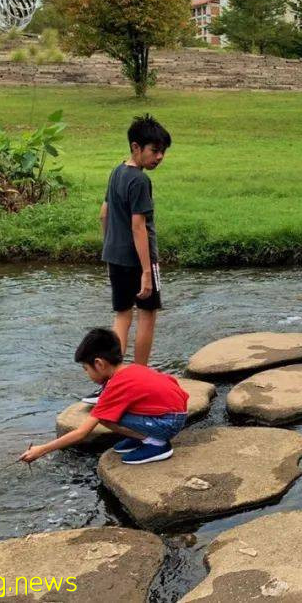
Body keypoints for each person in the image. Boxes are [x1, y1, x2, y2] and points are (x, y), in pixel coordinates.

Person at [88, 114, 171, 406]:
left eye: (163, 152)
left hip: (116, 256)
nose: (159, 157)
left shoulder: (117, 171)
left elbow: (104, 213)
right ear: (137, 147)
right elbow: (139, 227)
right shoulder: (139, 180)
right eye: (154, 150)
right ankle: (138, 377)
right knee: (147, 315)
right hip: (140, 261)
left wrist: (110, 246)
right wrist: (147, 272)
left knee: (122, 315)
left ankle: (112, 380)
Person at [21, 328, 188, 466]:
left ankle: (156, 443)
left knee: (104, 417)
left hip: (168, 423)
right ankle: (142, 437)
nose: (87, 374)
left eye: (86, 369)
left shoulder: (115, 385)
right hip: (176, 413)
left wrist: (41, 450)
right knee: (110, 410)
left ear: (99, 364)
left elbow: (81, 433)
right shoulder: (133, 369)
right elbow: (170, 383)